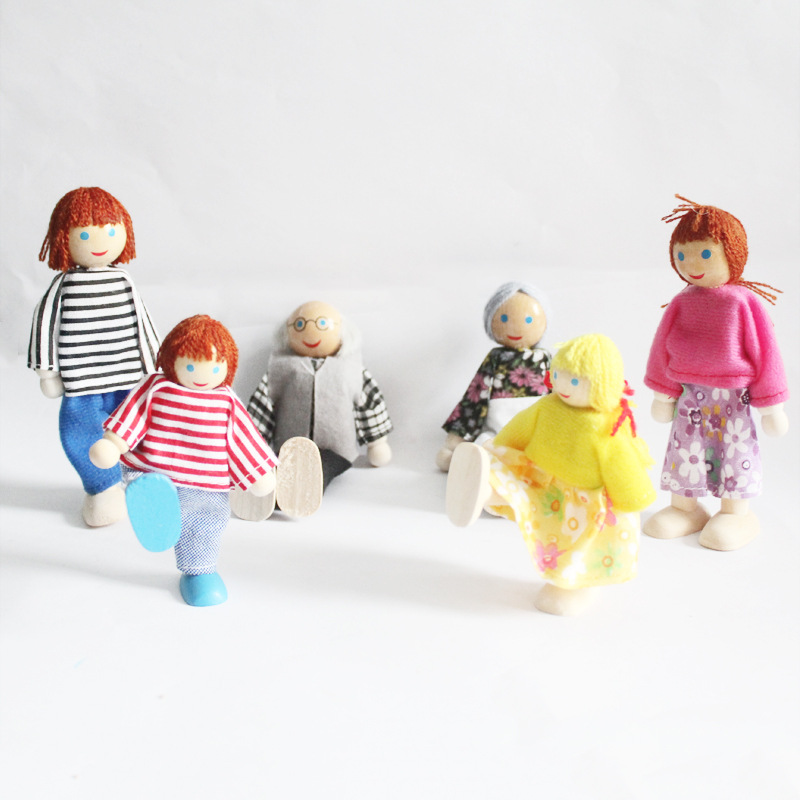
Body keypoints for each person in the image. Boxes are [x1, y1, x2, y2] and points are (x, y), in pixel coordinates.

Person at [446, 334, 655, 615]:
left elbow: (622, 464)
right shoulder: (548, 405)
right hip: (542, 479)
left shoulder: (606, 426)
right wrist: (499, 448)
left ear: (601, 385)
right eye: (557, 375)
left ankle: (573, 586)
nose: (562, 386)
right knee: (522, 494)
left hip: (584, 503)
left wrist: (633, 498)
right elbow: (519, 428)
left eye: (575, 381)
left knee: (573, 545)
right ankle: (483, 488)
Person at [89, 316, 278, 606]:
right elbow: (134, 415)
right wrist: (113, 444)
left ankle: (198, 571)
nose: (202, 376)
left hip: (204, 485)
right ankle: (152, 505)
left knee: (204, 523)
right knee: (152, 488)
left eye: (214, 368)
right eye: (190, 366)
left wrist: (258, 473)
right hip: (153, 470)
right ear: (170, 359)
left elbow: (242, 438)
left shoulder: (226, 402)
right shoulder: (156, 387)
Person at [644, 196, 789, 551]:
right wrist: (663, 394)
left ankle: (736, 513)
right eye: (682, 255)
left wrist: (771, 406)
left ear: (732, 253)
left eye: (705, 253)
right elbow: (662, 348)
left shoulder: (742, 302)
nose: (692, 264)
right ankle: (685, 508)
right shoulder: (681, 302)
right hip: (690, 397)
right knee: (685, 451)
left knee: (734, 452)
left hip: (732, 401)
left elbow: (766, 354)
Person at [28, 187, 160, 526]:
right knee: (81, 434)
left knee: (137, 429)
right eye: (84, 234)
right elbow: (44, 324)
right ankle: (102, 487)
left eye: (111, 231)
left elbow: (142, 322)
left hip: (127, 381)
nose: (100, 241)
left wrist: (155, 364)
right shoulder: (63, 285)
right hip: (82, 384)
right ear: (63, 237)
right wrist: (48, 371)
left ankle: (142, 482)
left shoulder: (124, 281)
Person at [436, 281, 551, 471]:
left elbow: (561, 395)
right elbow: (474, 397)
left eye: (528, 320)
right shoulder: (496, 359)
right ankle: (467, 465)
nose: (516, 327)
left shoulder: (545, 360)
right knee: (484, 447)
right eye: (504, 318)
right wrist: (456, 440)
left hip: (537, 432)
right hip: (499, 432)